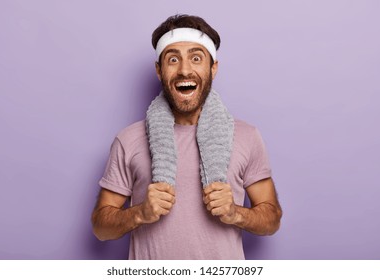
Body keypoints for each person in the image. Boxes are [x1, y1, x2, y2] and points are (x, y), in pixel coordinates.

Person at [91, 14, 282, 260]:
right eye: (173, 59)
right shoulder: (128, 140)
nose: (184, 70)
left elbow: (272, 219)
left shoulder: (247, 136)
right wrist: (139, 213)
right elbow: (100, 228)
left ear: (213, 68)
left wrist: (236, 213)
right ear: (159, 71)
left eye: (196, 58)